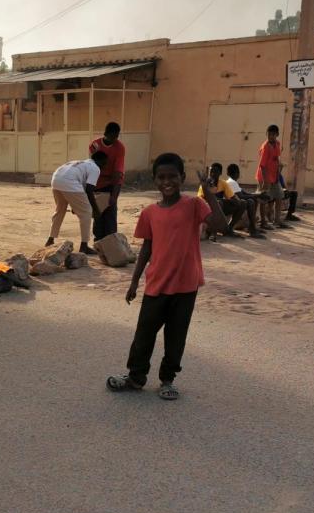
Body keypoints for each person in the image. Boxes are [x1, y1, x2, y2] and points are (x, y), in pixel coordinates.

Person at [106, 152, 226, 400]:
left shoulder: (194, 205)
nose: (167, 181)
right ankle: (136, 377)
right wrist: (134, 281)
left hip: (185, 285)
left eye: (172, 176)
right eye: (161, 177)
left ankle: (167, 380)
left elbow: (221, 226)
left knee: (176, 336)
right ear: (154, 180)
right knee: (144, 334)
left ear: (182, 178)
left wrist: (209, 192)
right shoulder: (149, 212)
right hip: (156, 284)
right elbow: (147, 248)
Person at [46, 150, 109, 255]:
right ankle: (84, 246)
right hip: (70, 183)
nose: (105, 165)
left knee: (60, 210)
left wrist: (75, 206)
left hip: (56, 181)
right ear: (100, 160)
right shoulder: (95, 168)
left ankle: (50, 240)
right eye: (105, 162)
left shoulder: (80, 163)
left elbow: (81, 190)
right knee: (86, 213)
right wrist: (96, 210)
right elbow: (89, 189)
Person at [200, 163, 265, 239]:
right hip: (209, 210)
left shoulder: (223, 183)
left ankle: (229, 229)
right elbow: (201, 201)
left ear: (220, 173)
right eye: (211, 172)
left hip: (220, 208)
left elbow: (233, 197)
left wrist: (239, 203)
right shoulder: (205, 185)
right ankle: (212, 232)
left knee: (242, 203)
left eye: (215, 172)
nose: (212, 174)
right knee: (219, 203)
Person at [87, 122, 126, 242]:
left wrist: (114, 195)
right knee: (98, 213)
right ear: (105, 134)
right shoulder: (95, 145)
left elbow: (118, 172)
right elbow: (93, 164)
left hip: (111, 181)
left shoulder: (120, 148)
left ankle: (111, 240)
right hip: (96, 182)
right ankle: (98, 240)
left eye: (116, 136)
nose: (114, 139)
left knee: (110, 212)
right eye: (112, 136)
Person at [226, 163, 268, 238]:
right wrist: (258, 195)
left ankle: (252, 227)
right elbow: (241, 196)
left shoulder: (232, 182)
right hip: (231, 205)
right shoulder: (232, 182)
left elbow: (246, 193)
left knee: (252, 199)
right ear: (237, 174)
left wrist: (259, 195)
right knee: (250, 201)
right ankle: (252, 229)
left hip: (232, 203)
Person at [256, 124, 285, 230]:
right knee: (263, 199)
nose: (271, 136)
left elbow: (277, 159)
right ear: (266, 134)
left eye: (273, 134)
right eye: (269, 134)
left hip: (274, 176)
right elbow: (262, 166)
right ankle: (262, 221)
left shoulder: (277, 144)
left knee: (279, 196)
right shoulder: (266, 147)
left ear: (277, 135)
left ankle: (277, 220)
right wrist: (264, 181)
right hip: (264, 177)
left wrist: (278, 175)